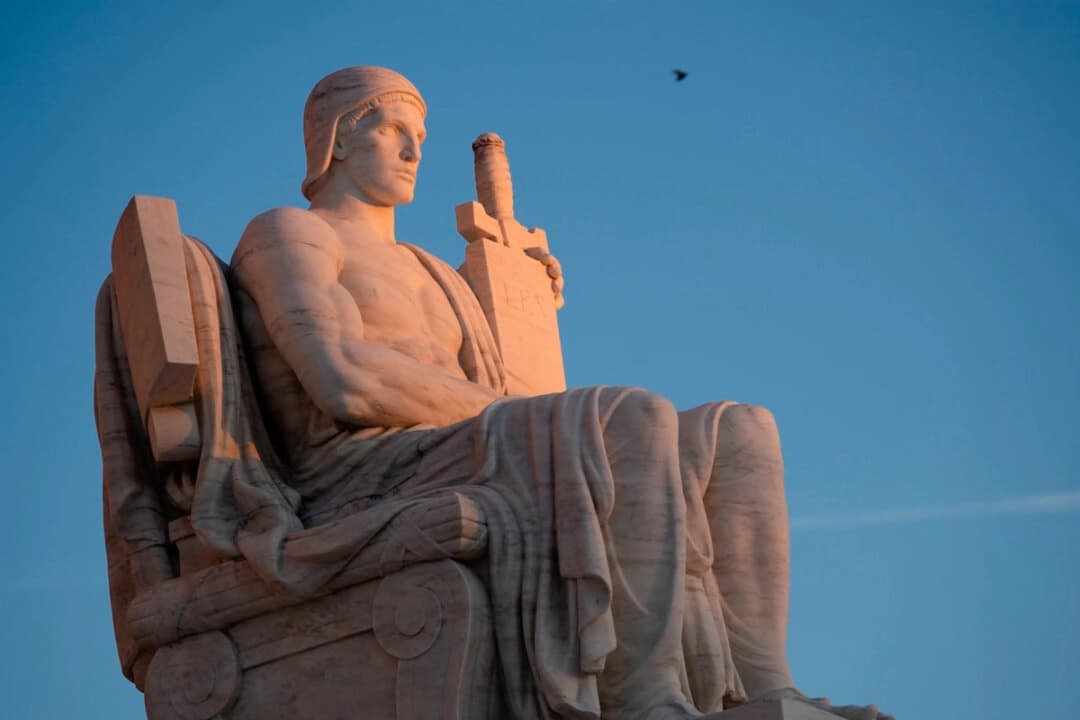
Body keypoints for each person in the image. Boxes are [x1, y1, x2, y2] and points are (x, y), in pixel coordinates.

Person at [228, 66, 890, 720]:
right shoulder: (290, 232)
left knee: (740, 429)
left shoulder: (435, 272)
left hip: (456, 444)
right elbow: (341, 378)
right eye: (391, 130)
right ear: (339, 138)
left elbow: (499, 392)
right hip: (363, 469)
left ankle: (765, 686)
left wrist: (521, 307)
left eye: (420, 139)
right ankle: (643, 695)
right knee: (632, 417)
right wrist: (531, 418)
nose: (412, 152)